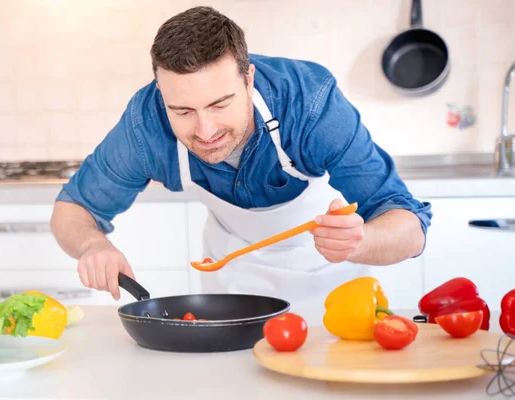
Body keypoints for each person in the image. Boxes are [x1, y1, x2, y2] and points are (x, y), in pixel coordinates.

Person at [50, 6, 432, 309]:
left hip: (335, 289)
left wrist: (360, 240)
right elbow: (72, 210)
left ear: (248, 79)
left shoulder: (309, 102)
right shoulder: (146, 123)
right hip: (233, 282)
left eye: (219, 104)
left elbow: (409, 229)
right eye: (182, 111)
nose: (205, 130)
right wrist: (92, 245)